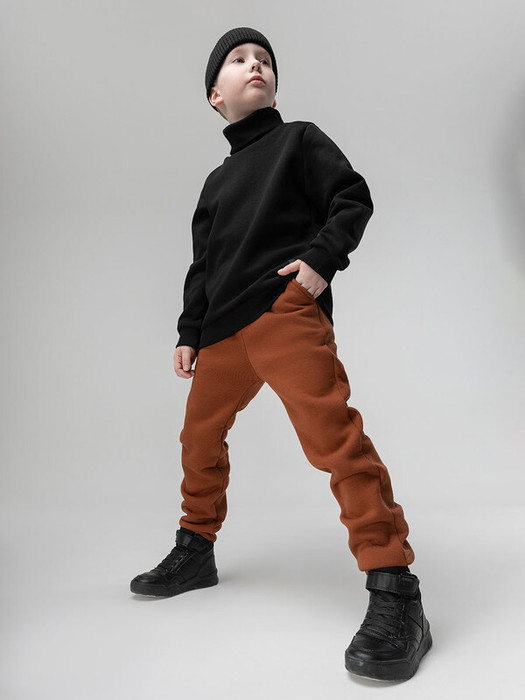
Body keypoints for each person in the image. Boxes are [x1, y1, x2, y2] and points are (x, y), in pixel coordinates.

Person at [130, 26, 432, 682]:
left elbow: (352, 197)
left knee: (334, 441)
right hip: (222, 333)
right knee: (197, 438)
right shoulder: (215, 182)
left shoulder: (299, 140)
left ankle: (395, 587)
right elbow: (203, 264)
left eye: (263, 59)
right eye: (238, 60)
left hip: (284, 313)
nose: (254, 65)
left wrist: (319, 264)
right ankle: (195, 548)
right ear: (215, 96)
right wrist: (189, 331)